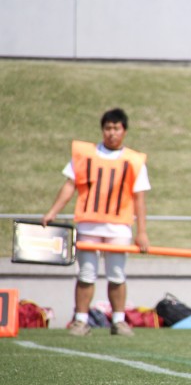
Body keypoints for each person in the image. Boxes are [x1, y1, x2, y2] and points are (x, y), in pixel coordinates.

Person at [42, 108, 150, 337]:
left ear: (124, 131)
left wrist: (142, 232)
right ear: (102, 130)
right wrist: (52, 212)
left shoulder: (134, 160)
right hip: (89, 222)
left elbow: (139, 198)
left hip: (119, 225)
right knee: (86, 273)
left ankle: (119, 320)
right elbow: (70, 185)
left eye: (116, 128)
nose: (112, 133)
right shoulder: (85, 155)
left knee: (117, 274)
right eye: (108, 128)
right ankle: (81, 320)